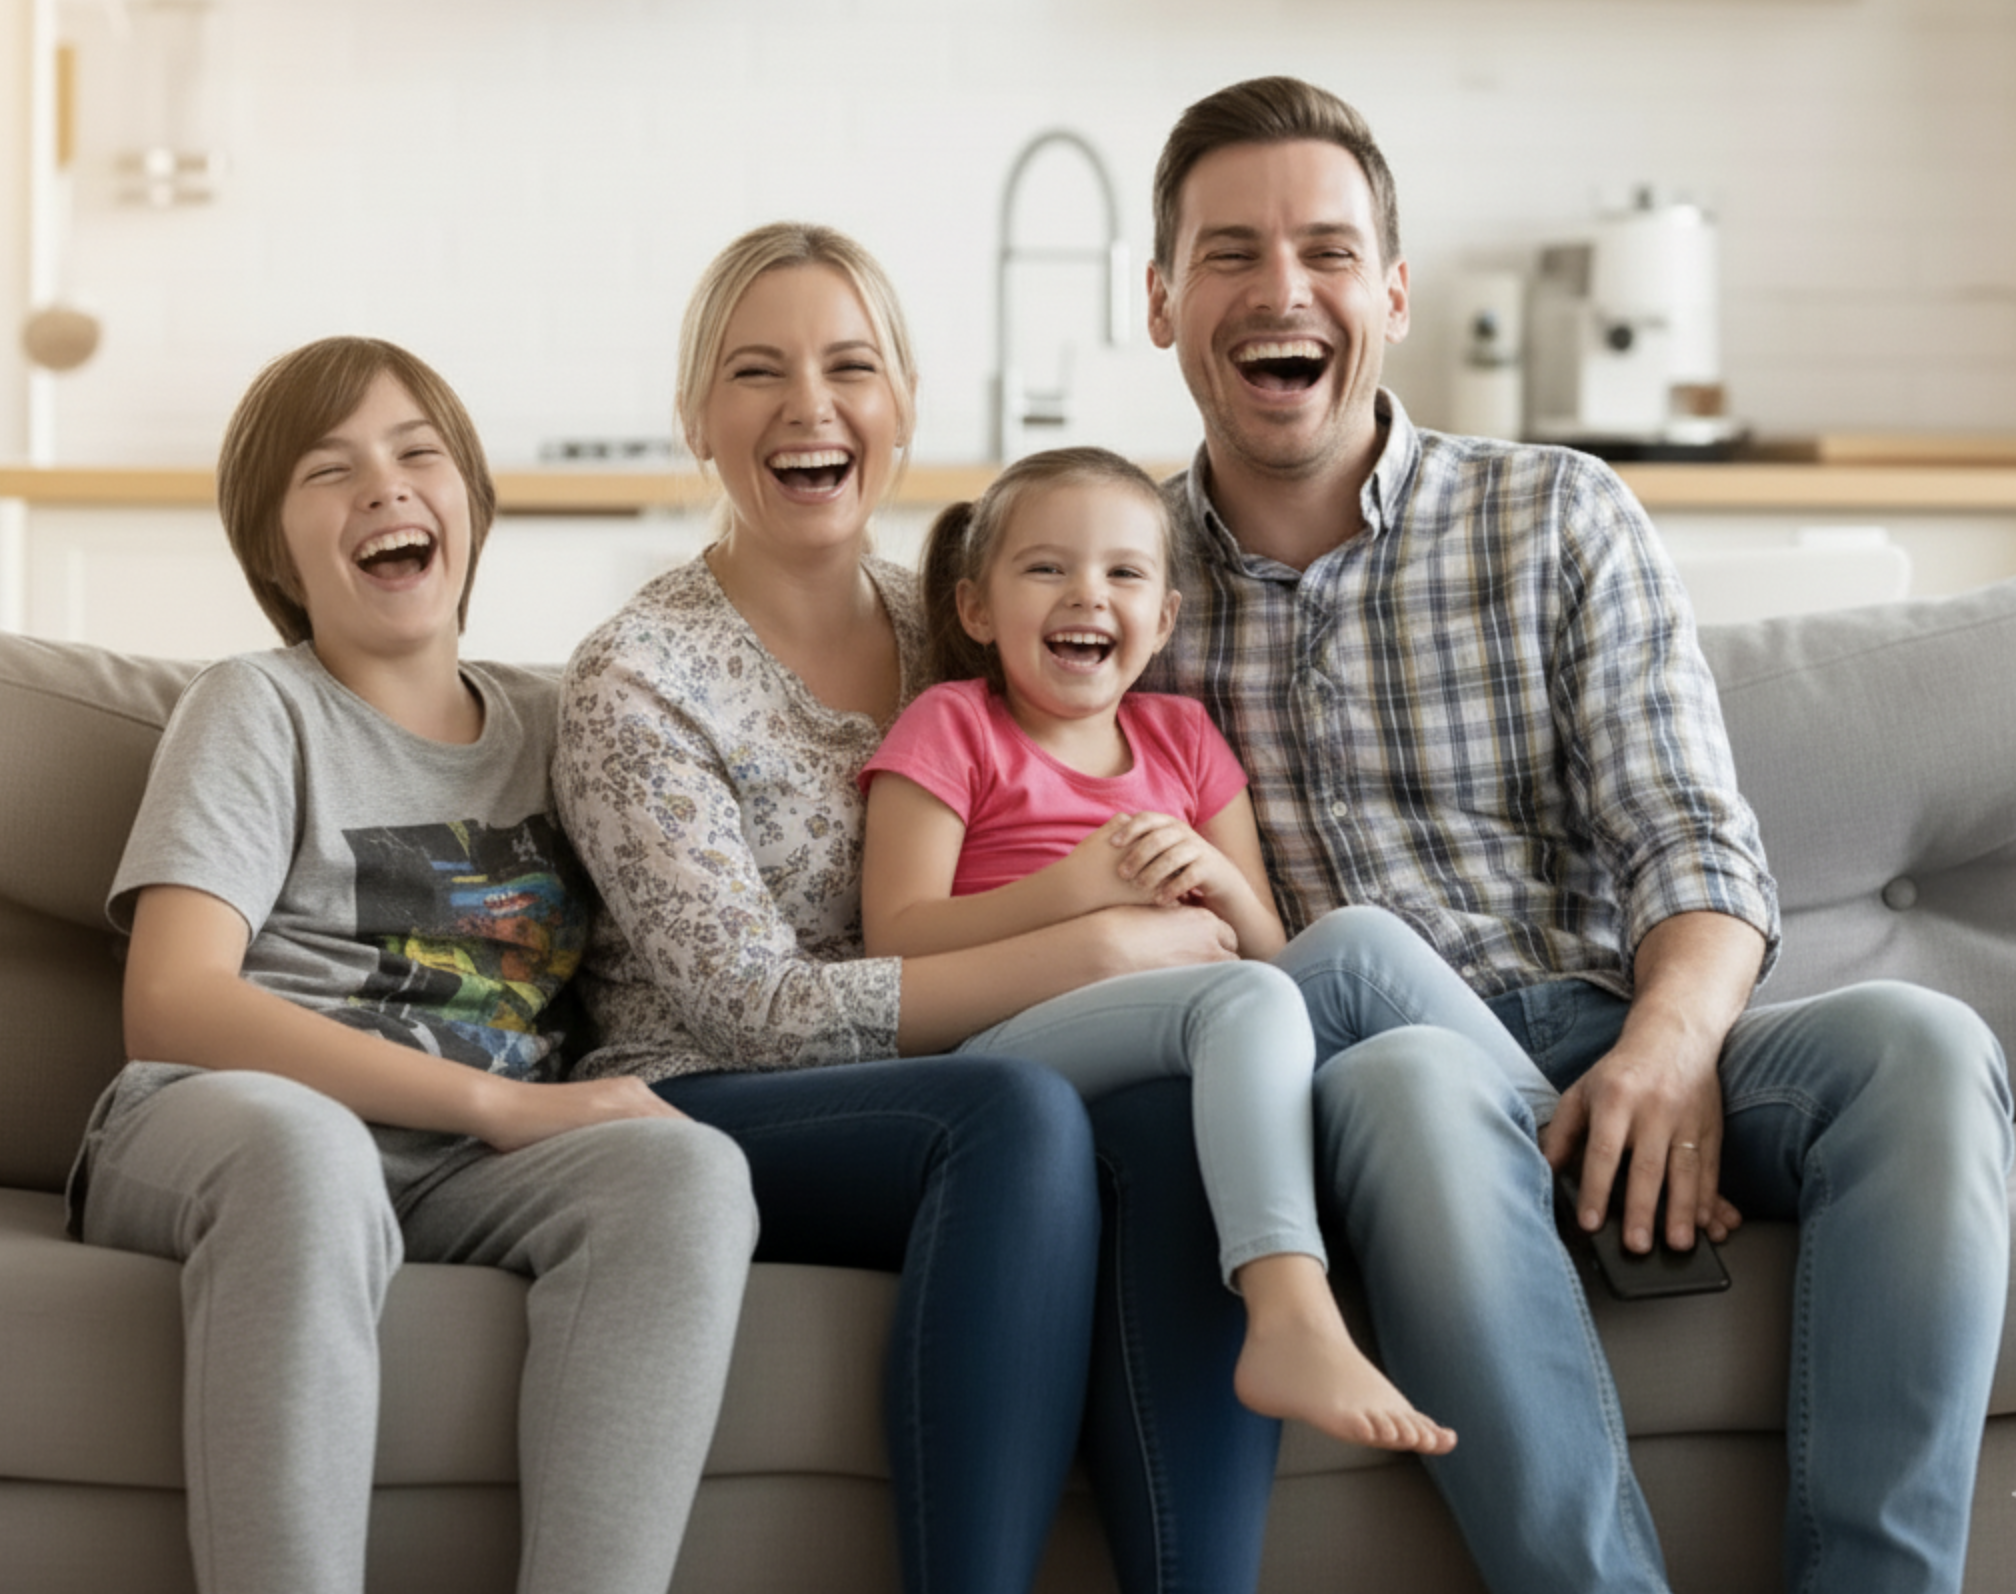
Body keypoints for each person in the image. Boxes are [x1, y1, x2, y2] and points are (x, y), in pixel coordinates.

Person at [1139, 73, 2014, 1594]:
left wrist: (1670, 1048)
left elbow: (1689, 832)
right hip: (1384, 1080)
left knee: (1923, 1047)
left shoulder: (1556, 516)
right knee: (1406, 1066)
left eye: (1329, 250)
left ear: (1394, 293)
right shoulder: (1110, 591)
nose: (1284, 288)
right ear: (1160, 301)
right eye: (1230, 253)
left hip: (1616, 1028)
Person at [552, 224, 1280, 1594]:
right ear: (699, 419)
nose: (809, 408)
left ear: (902, 407)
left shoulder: (961, 625)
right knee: (1014, 1115)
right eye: (756, 372)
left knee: (1168, 1134)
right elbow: (754, 1014)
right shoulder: (636, 679)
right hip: (707, 1095)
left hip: (971, 1073)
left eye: (851, 368)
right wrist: (1105, 945)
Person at [65, 336, 759, 1594]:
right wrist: (501, 1102)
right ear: (276, 552)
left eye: (417, 455)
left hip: (458, 1172)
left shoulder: (561, 727)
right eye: (331, 472)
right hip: (228, 1123)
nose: (384, 488)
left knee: (688, 1172)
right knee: (307, 1148)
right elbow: (169, 999)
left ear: (472, 509)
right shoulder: (256, 707)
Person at [864, 442, 1568, 1454]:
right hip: (1006, 1048)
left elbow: (1272, 949)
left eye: (1122, 572)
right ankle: (1286, 1312)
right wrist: (1076, 889)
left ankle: (1551, 1153)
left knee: (1358, 941)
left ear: (1164, 618)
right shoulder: (954, 726)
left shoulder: (1184, 737)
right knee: (1245, 1002)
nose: (1086, 595)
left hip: (1202, 1018)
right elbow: (898, 936)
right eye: (1046, 567)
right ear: (978, 608)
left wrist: (1214, 870)